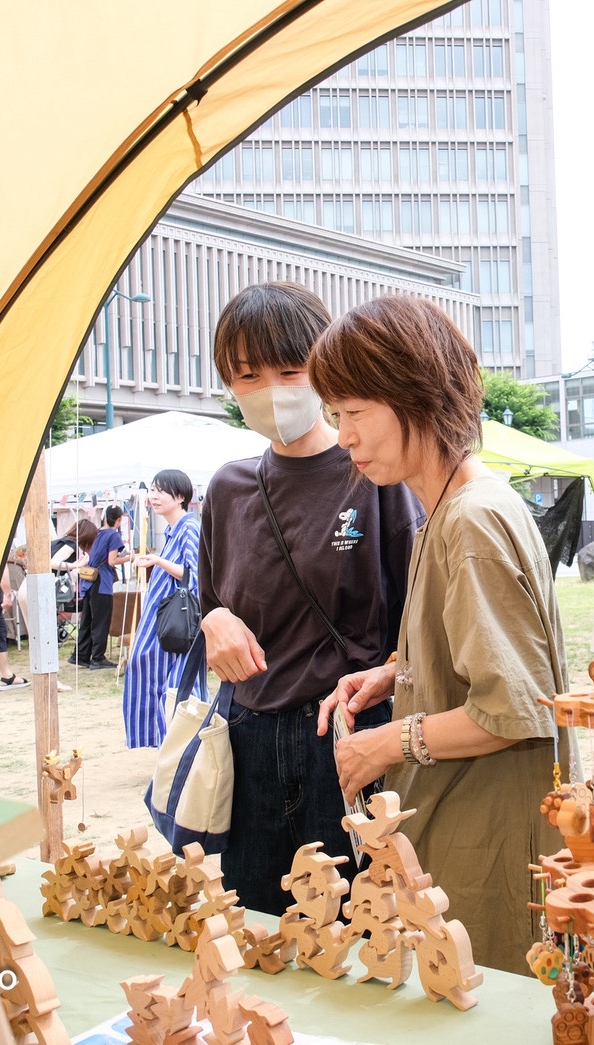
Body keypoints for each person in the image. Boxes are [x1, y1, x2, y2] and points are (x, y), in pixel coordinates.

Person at [312, 294, 565, 976]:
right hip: (458, 830)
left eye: (354, 412)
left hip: (483, 846)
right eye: (336, 416)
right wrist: (398, 672)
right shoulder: (450, 507)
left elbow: (513, 709)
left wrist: (384, 742)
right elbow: (478, 649)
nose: (343, 437)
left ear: (414, 395)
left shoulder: (470, 519)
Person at [198, 282, 420, 917]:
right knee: (257, 929)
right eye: (248, 375)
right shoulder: (228, 489)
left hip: (349, 735)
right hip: (249, 741)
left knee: (362, 929)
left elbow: (419, 621)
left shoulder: (376, 477)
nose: (270, 390)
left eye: (290, 370)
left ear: (323, 369)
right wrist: (215, 619)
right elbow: (209, 599)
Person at [122, 469, 204, 749]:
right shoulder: (172, 530)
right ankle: (164, 741)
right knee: (149, 669)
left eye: (160, 491)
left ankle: (186, 744)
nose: (153, 497)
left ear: (179, 496)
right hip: (166, 619)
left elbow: (194, 575)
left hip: (178, 619)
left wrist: (157, 561)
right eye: (152, 490)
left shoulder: (189, 528)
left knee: (179, 682)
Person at [72, 504, 132, 669]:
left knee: (87, 620)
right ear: (118, 520)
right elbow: (112, 561)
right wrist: (130, 558)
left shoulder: (96, 533)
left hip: (88, 581)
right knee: (101, 621)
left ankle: (81, 655)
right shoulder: (113, 535)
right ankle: (98, 657)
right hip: (102, 582)